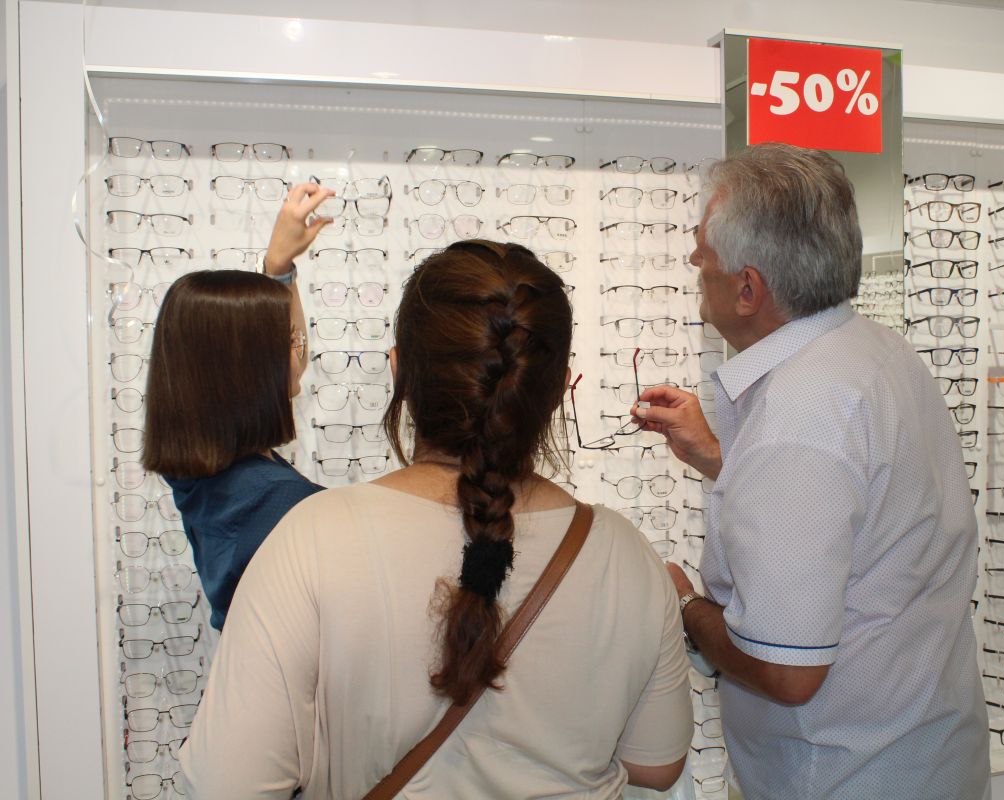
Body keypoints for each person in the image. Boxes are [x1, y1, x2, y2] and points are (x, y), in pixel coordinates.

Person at [180, 240, 692, 798]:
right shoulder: (626, 554)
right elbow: (656, 764)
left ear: (399, 370)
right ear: (557, 388)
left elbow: (229, 785)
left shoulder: (310, 538)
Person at [633, 143, 990, 799]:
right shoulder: (876, 352)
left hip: (843, 775)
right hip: (924, 756)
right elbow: (850, 510)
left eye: (703, 256)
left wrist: (683, 604)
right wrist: (718, 457)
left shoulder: (800, 412)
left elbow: (786, 672)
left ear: (748, 289)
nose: (693, 265)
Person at [142, 183, 336, 629]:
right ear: (247, 371)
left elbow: (293, 355)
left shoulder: (199, 474)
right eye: (286, 341)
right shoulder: (278, 501)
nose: (300, 350)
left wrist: (279, 268)